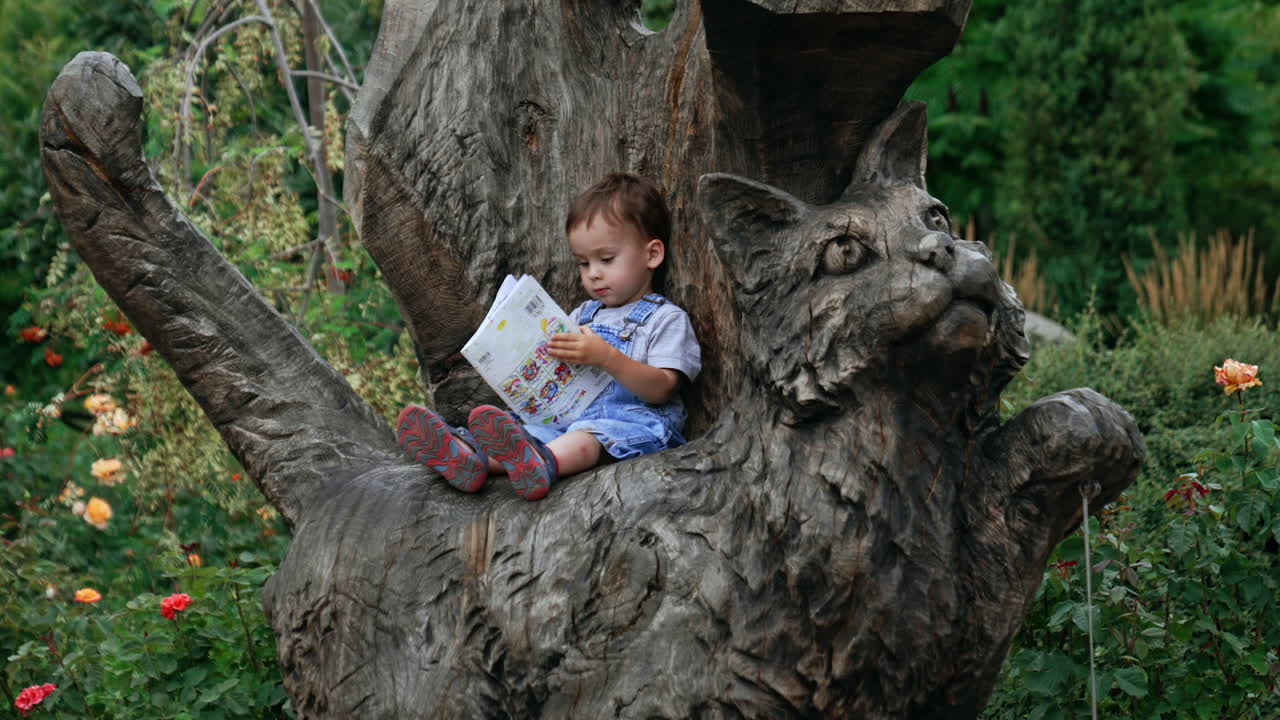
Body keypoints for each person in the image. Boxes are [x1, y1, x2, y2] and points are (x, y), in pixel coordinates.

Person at [396, 173, 701, 501]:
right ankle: (469, 456)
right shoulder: (584, 315)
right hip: (565, 419)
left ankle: (543, 463)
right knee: (526, 433)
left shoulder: (665, 318)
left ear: (652, 255)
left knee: (585, 439)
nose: (593, 273)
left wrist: (605, 356)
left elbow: (662, 388)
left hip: (631, 425)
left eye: (606, 259)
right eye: (583, 263)